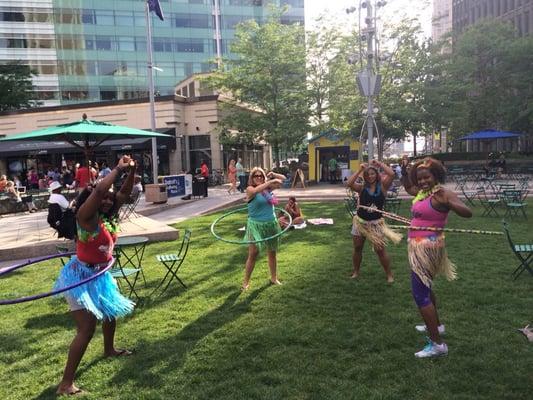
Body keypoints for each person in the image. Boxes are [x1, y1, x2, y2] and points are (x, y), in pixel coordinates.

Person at [54, 156, 137, 395]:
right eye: (103, 197)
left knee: (110, 312)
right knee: (87, 328)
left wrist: (131, 172)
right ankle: (65, 383)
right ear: (91, 200)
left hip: (99, 274)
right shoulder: (85, 218)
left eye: (110, 198)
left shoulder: (106, 216)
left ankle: (109, 349)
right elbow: (101, 189)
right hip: (80, 276)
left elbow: (122, 194)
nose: (108, 199)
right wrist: (118, 168)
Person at [401, 157, 472, 358]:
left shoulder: (442, 194)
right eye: (419, 178)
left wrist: (450, 202)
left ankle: (437, 345)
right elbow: (408, 188)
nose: (422, 181)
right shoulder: (423, 193)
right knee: (426, 288)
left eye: (426, 177)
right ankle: (437, 326)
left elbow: (468, 212)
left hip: (427, 249)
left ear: (436, 176)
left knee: (420, 294)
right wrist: (405, 172)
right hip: (417, 246)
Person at [346, 160, 401, 283]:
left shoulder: (383, 186)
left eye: (372, 174)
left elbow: (392, 174)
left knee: (380, 249)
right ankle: (356, 271)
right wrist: (360, 170)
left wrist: (380, 164)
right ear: (364, 177)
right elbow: (349, 183)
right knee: (358, 247)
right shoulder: (361, 188)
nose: (370, 176)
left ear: (376, 174)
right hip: (360, 222)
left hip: (376, 223)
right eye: (367, 175)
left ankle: (389, 274)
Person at [242, 167, 286, 291]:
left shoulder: (268, 188)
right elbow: (255, 190)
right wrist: (269, 182)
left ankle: (273, 278)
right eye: (256, 176)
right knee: (253, 254)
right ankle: (246, 282)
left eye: (261, 175)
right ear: (252, 178)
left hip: (271, 224)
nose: (259, 178)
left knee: (272, 252)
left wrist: (274, 174)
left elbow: (283, 180)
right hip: (256, 225)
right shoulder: (250, 189)